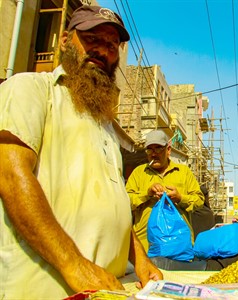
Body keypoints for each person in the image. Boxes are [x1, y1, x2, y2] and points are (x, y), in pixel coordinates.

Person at [0, 5, 162, 299]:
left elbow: (112, 206)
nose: (102, 51)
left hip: (105, 289)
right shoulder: (30, 89)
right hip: (45, 290)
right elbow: (11, 177)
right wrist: (73, 264)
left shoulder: (106, 125)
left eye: (112, 45)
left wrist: (139, 257)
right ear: (65, 42)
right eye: (92, 39)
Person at [126, 129, 204, 251]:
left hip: (178, 246)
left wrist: (180, 198)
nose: (153, 154)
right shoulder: (138, 173)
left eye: (158, 148)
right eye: (149, 149)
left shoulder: (184, 172)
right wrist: (147, 194)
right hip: (144, 247)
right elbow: (126, 202)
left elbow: (199, 201)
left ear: (168, 150)